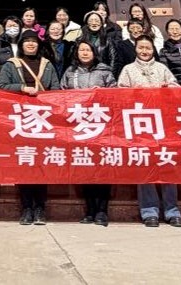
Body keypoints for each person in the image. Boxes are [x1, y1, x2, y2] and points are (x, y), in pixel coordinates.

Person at [117, 35, 181, 227]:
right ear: (135, 49)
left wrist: (168, 88)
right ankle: (149, 211)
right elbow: (118, 95)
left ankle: (172, 211)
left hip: (163, 124)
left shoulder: (162, 68)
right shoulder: (128, 69)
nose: (144, 51)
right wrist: (132, 92)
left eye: (148, 48)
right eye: (141, 47)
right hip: (140, 124)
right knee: (145, 166)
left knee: (167, 164)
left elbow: (178, 89)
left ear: (153, 50)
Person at [0, 29, 60, 225]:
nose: (31, 44)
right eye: (27, 41)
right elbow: (1, 86)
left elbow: (56, 89)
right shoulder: (11, 64)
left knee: (42, 164)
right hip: (20, 119)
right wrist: (22, 88)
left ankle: (40, 208)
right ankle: (26, 208)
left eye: (34, 41)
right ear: (21, 45)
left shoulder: (47, 65)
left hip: (43, 120)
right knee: (24, 163)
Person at [60, 41, 115, 225]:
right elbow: (62, 95)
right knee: (85, 169)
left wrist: (103, 93)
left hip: (101, 127)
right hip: (79, 128)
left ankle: (102, 211)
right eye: (81, 50)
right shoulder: (70, 72)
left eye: (88, 50)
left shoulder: (104, 71)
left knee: (103, 169)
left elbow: (116, 95)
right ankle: (90, 210)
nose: (85, 53)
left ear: (94, 52)